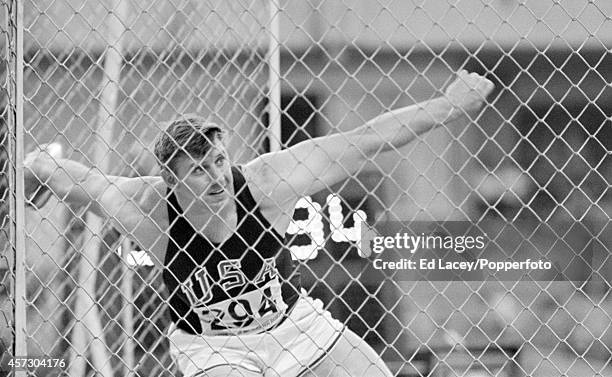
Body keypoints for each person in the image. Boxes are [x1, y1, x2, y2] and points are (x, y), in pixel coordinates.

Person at [24, 70, 494, 377]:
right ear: (172, 179)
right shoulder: (147, 208)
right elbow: (83, 181)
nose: (214, 177)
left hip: (292, 325)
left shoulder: (267, 184)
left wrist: (450, 104)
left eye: (217, 160)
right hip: (214, 349)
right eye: (197, 169)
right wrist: (40, 167)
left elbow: (364, 140)